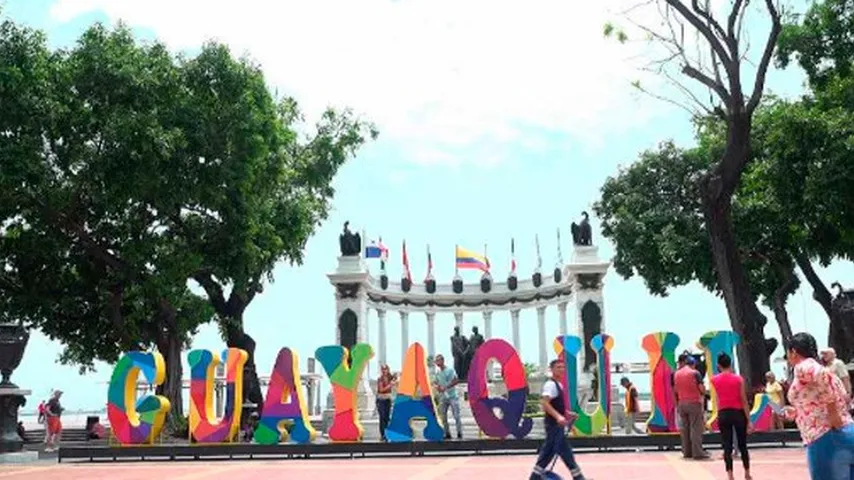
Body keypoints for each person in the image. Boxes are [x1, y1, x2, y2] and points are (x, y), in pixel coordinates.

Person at [784, 332, 854, 479]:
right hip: (846, 432)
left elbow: (820, 375)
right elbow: (817, 400)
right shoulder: (827, 371)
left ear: (793, 352)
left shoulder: (803, 366)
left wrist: (833, 413)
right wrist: (797, 411)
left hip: (825, 436)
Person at [528, 358, 587, 480]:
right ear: (552, 369)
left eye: (563, 367)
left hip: (558, 425)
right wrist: (558, 417)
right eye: (558, 367)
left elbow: (557, 406)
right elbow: (545, 403)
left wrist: (568, 414)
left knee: (565, 453)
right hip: (553, 425)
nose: (561, 369)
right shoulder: (550, 385)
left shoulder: (559, 385)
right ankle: (534, 477)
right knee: (549, 453)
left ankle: (578, 477)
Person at [710, 353, 752, 480]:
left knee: (726, 445)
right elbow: (743, 400)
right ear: (731, 363)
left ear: (718, 365)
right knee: (742, 444)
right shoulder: (738, 379)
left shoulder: (714, 380)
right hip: (738, 412)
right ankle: (747, 473)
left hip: (723, 412)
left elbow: (717, 398)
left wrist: (717, 413)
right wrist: (749, 420)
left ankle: (730, 475)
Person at [674, 352, 709, 460]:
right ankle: (697, 453)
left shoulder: (677, 374)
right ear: (693, 364)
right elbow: (701, 388)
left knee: (685, 429)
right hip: (694, 402)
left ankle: (686, 452)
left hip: (681, 403)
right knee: (695, 428)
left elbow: (675, 390)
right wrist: (704, 393)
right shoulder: (695, 373)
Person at [433, 354, 462, 440]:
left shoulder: (450, 370)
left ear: (442, 361)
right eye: (436, 361)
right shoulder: (438, 373)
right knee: (443, 416)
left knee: (456, 415)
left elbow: (456, 380)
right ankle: (447, 433)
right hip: (443, 398)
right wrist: (437, 387)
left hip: (452, 396)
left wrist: (446, 387)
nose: (437, 363)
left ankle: (459, 432)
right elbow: (435, 382)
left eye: (438, 361)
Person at [376, 364, 395, 441]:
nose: (384, 371)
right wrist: (390, 385)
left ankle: (387, 434)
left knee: (387, 418)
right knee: (382, 417)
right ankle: (383, 435)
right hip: (381, 400)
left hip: (388, 399)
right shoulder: (380, 379)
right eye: (383, 369)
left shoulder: (390, 377)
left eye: (385, 369)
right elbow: (381, 390)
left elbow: (397, 379)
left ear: (388, 369)